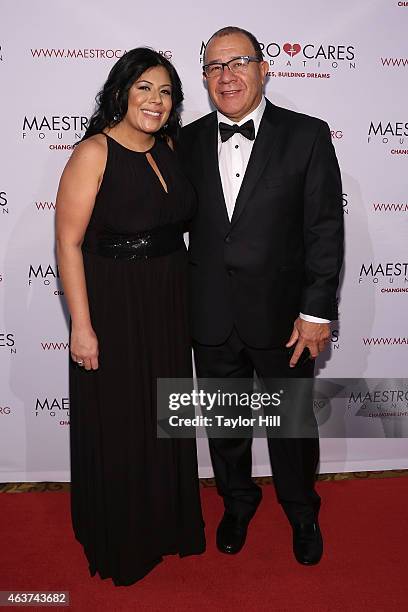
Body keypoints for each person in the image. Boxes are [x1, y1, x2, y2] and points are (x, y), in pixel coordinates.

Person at [178, 27, 344, 565]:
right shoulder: (186, 140)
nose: (226, 76)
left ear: (263, 67)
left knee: (292, 428)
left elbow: (324, 229)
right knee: (226, 426)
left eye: (238, 62)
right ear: (204, 79)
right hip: (212, 316)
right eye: (213, 67)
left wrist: (317, 310)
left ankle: (301, 512)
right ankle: (237, 503)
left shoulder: (307, 135)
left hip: (284, 320)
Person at [55, 48, 205, 587]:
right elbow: (69, 245)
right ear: (121, 92)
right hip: (115, 304)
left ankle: (166, 525)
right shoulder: (93, 152)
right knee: (120, 421)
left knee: (164, 415)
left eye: (165, 92)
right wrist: (82, 324)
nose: (156, 100)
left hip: (167, 299)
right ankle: (122, 539)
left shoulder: (170, 147)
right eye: (145, 88)